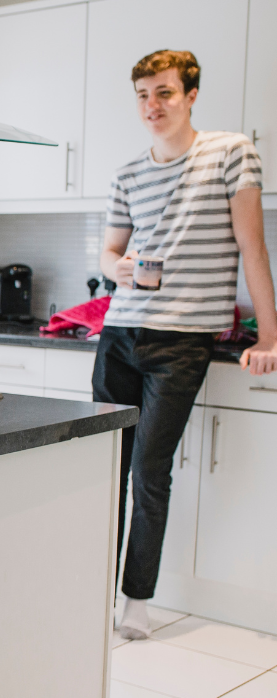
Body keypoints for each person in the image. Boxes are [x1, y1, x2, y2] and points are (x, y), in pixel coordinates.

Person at [95, 50, 275, 639]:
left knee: (149, 468)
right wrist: (118, 269)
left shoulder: (229, 153)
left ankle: (135, 603)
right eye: (144, 95)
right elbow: (108, 252)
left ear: (191, 94)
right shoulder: (128, 173)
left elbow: (253, 248)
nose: (153, 105)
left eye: (165, 93)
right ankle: (88, 592)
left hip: (182, 341)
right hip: (120, 334)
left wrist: (269, 336)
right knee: (103, 469)